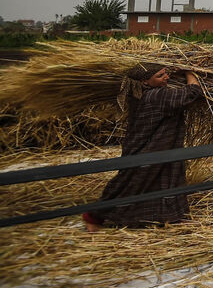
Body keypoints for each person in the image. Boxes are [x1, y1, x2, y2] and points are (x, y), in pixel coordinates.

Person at [82, 64, 204, 231]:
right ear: (145, 80)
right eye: (160, 76)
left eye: (166, 73)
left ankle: (174, 217)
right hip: (151, 147)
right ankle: (94, 216)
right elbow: (192, 93)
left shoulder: (137, 92)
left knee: (169, 178)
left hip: (159, 144)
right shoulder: (157, 95)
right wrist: (190, 72)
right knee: (131, 181)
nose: (166, 77)